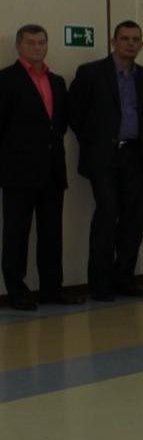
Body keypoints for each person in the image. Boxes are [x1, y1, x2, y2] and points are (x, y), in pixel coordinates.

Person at [69, 19, 143, 301]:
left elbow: (141, 116)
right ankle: (100, 284)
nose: (130, 43)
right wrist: (95, 144)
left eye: (135, 39)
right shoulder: (91, 73)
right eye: (125, 38)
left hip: (133, 156)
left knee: (132, 220)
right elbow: (75, 114)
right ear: (114, 42)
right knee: (106, 217)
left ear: (141, 44)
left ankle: (124, 279)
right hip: (103, 157)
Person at [0, 24, 78, 309]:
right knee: (16, 235)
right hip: (18, 173)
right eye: (31, 43)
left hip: (52, 171)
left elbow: (59, 125)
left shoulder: (56, 81)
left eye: (41, 42)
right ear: (19, 46)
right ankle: (17, 292)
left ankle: (51, 290)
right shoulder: (6, 80)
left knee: (51, 234)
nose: (37, 47)